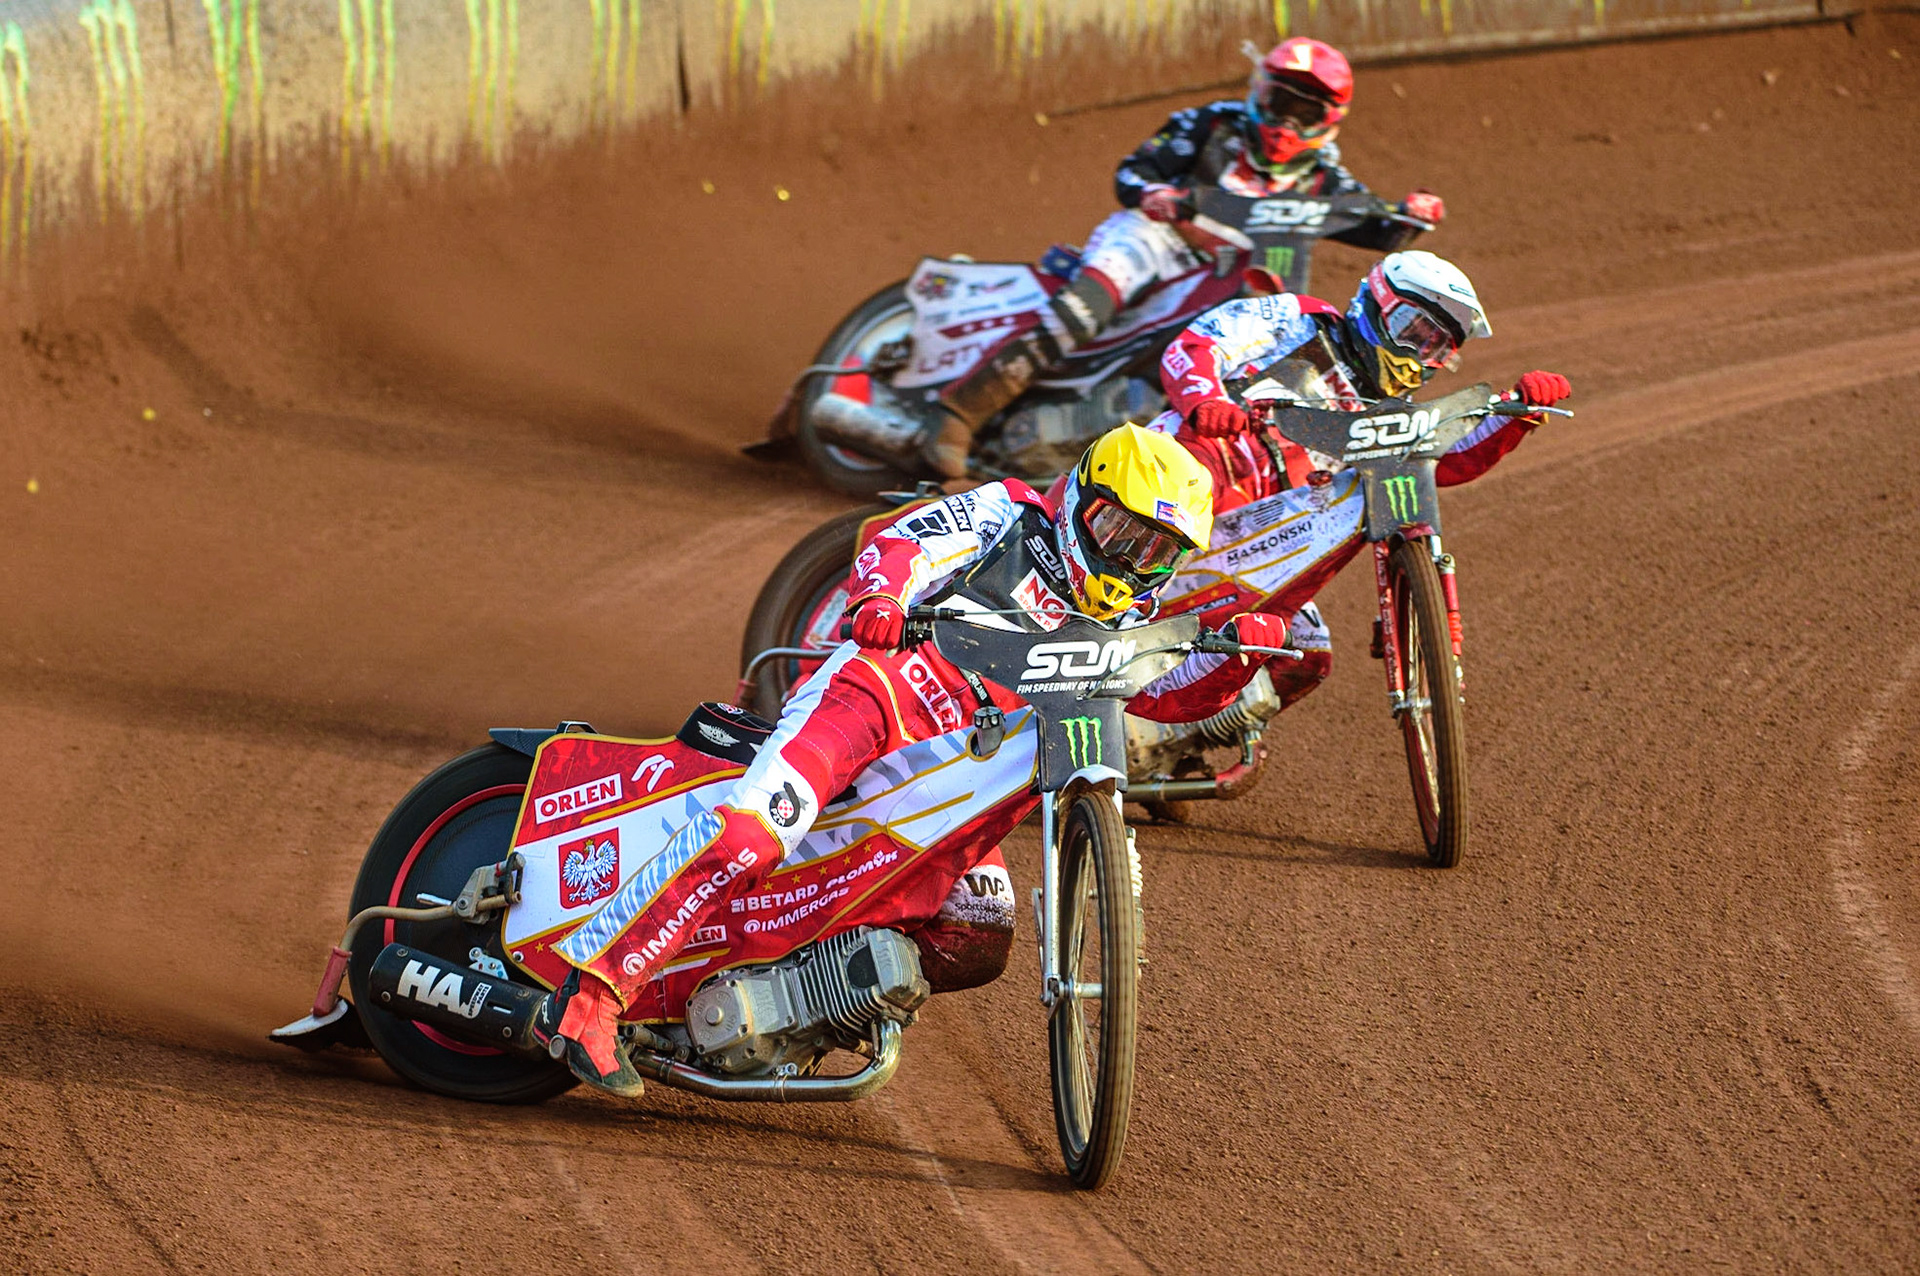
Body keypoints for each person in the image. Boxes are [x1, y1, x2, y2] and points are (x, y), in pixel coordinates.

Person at [539, 425, 1294, 1095]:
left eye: (1157, 553)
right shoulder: (1008, 511)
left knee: (981, 930)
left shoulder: (1122, 618)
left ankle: (805, 1005)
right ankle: (590, 1000)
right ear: (1080, 497)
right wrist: (882, 598)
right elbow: (902, 543)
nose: (1132, 561)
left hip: (960, 775)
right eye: (1119, 533)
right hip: (875, 701)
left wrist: (1239, 655)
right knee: (750, 838)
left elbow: (1168, 698)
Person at [828, 37, 1445, 480]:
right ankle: (957, 414)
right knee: (1090, 304)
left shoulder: (1326, 177)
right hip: (1158, 240)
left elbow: (1372, 222)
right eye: (1281, 101)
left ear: (1327, 119)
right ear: (1260, 92)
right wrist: (1155, 193)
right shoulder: (1208, 124)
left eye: (1304, 111)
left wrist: (1410, 215)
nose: (1287, 121)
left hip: (1230, 277)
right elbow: (1133, 170)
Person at [1147, 248, 1573, 713]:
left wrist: (1518, 414)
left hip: (1260, 537)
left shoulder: (1395, 416)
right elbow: (1197, 344)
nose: (1415, 355)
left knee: (1307, 655)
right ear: (1376, 304)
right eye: (1412, 330)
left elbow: (1445, 460)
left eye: (1434, 347)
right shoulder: (1297, 318)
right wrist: (1206, 399)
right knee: (1180, 493)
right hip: (1193, 473)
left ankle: (1192, 734)